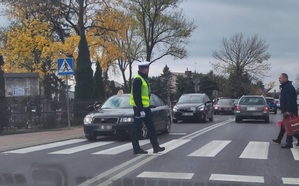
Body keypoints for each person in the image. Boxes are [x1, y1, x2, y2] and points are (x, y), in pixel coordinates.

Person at [130, 61, 165, 154]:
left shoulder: (143, 79)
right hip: (139, 108)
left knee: (151, 127)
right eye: (147, 69)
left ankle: (155, 146)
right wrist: (140, 109)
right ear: (143, 69)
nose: (148, 70)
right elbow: (137, 96)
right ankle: (136, 148)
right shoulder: (138, 80)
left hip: (145, 107)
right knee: (136, 128)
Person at [272, 73, 299, 148]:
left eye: (280, 78)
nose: (279, 79)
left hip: (290, 111)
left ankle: (288, 143)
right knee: (285, 125)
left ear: (285, 78)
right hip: (287, 110)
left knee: (290, 126)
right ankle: (279, 139)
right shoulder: (285, 87)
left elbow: (290, 99)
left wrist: (289, 111)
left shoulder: (288, 87)